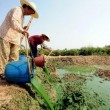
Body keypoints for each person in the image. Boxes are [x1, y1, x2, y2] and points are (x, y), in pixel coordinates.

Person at [0, 0, 39, 79]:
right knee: (4, 56)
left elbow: (17, 26)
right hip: (6, 36)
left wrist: (23, 28)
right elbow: (14, 22)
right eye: (30, 12)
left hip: (14, 39)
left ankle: (10, 74)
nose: (30, 14)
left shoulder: (22, 15)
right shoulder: (17, 9)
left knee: (14, 58)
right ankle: (1, 74)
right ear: (27, 7)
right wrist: (22, 30)